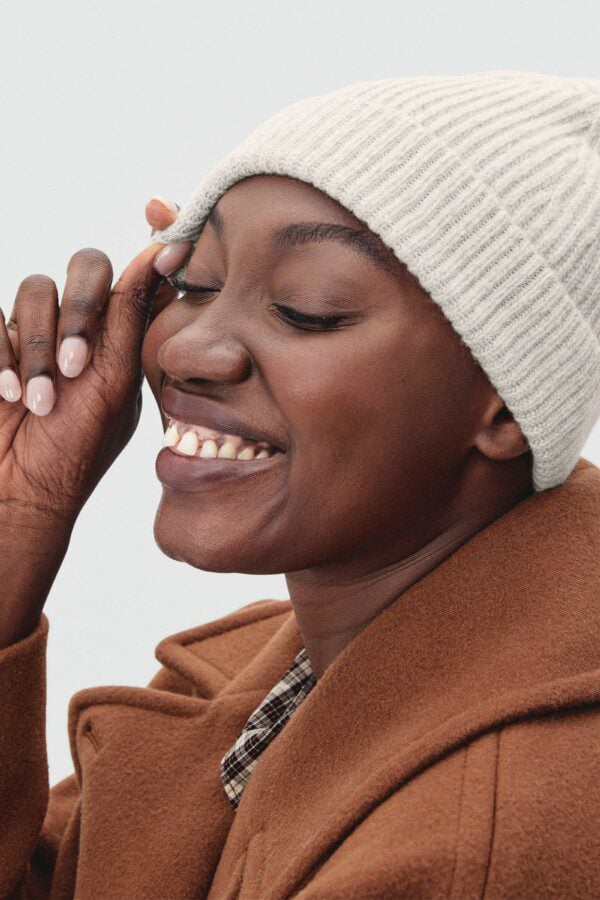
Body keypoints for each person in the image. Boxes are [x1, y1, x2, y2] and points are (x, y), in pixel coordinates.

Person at [1, 69, 600, 898]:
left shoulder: (494, 836)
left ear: (504, 407)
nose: (187, 348)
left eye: (309, 309)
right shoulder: (264, 684)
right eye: (197, 285)